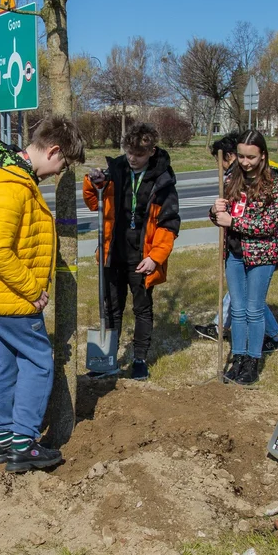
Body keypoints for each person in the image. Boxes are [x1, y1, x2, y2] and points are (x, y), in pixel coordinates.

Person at [0, 116, 86, 473]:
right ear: (53, 150)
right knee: (38, 361)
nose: (57, 172)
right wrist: (33, 290)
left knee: (7, 362)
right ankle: (23, 444)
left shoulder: (8, 174)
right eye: (61, 164)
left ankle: (4, 439)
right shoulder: (11, 187)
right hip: (10, 296)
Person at [82, 122, 180, 380]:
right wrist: (94, 184)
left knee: (142, 309)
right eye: (129, 153)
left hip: (143, 256)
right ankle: (108, 360)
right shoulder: (116, 169)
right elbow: (94, 204)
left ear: (151, 151)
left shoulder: (163, 179)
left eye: (138, 154)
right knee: (111, 308)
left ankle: (139, 359)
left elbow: (168, 224)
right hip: (113, 253)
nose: (132, 159)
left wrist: (155, 258)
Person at [195, 133, 278, 354]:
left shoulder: (274, 183)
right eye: (241, 156)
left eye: (251, 157)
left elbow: (270, 224)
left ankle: (252, 360)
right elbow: (222, 218)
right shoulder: (232, 179)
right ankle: (238, 358)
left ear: (263, 156)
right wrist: (214, 211)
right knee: (237, 310)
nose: (245, 162)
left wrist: (234, 222)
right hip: (234, 254)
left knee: (254, 309)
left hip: (261, 254)